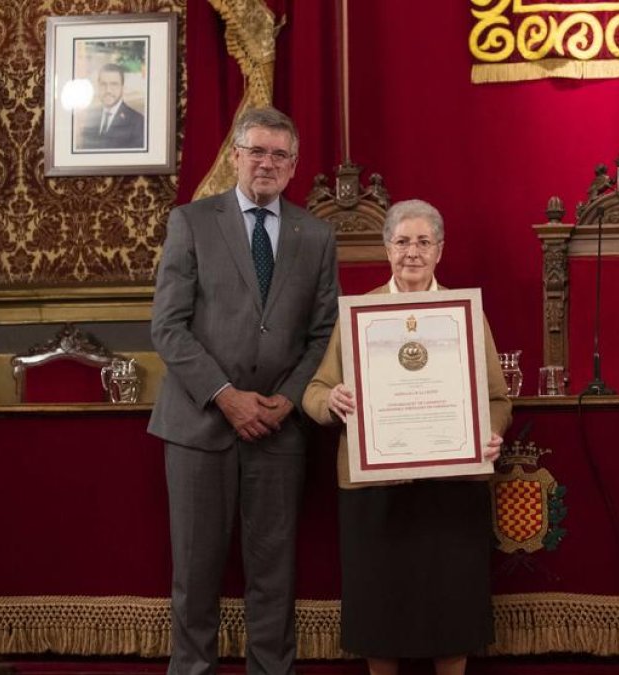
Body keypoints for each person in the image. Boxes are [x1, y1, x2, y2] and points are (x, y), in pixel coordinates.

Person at [149, 106, 339, 675]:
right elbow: (167, 326)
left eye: (280, 154)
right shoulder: (191, 222)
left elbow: (324, 331)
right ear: (235, 156)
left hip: (279, 431)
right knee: (196, 575)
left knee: (274, 577)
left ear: (294, 165)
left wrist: (287, 399)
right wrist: (225, 395)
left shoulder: (316, 234)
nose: (267, 163)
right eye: (256, 151)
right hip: (198, 427)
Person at [301, 199, 512, 675]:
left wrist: (491, 433)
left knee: (452, 613)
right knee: (381, 613)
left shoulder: (465, 315)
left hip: (451, 487)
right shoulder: (358, 316)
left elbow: (498, 401)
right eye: (402, 241)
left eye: (422, 242)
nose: (412, 252)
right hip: (374, 489)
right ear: (386, 249)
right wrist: (332, 400)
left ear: (440, 250)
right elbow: (313, 393)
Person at [77, 63, 146, 150]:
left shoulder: (137, 121)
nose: (108, 90)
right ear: (98, 86)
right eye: (103, 84)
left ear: (123, 88)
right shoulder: (91, 116)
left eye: (114, 84)